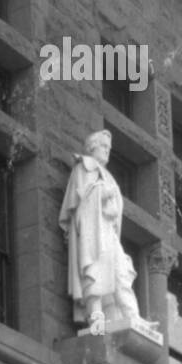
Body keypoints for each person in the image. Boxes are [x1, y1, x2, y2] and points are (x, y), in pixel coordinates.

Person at [59, 129, 142, 335]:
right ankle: (97, 323)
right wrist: (102, 194)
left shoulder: (108, 176)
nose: (107, 151)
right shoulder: (83, 168)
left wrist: (110, 202)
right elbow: (79, 202)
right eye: (103, 146)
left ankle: (132, 317)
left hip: (107, 231)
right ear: (92, 147)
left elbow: (114, 208)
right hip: (91, 230)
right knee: (94, 274)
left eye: (109, 148)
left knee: (121, 273)